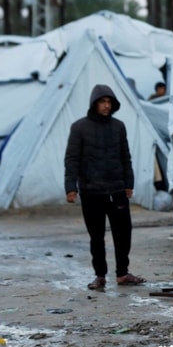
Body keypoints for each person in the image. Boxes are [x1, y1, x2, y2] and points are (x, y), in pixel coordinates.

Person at [64, 84, 146, 290]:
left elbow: (125, 156)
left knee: (123, 233)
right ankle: (100, 275)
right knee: (96, 236)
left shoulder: (118, 126)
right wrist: (70, 187)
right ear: (94, 104)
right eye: (102, 101)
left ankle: (122, 273)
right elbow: (72, 159)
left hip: (116, 189)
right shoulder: (79, 128)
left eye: (109, 102)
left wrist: (129, 183)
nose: (106, 106)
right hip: (91, 191)